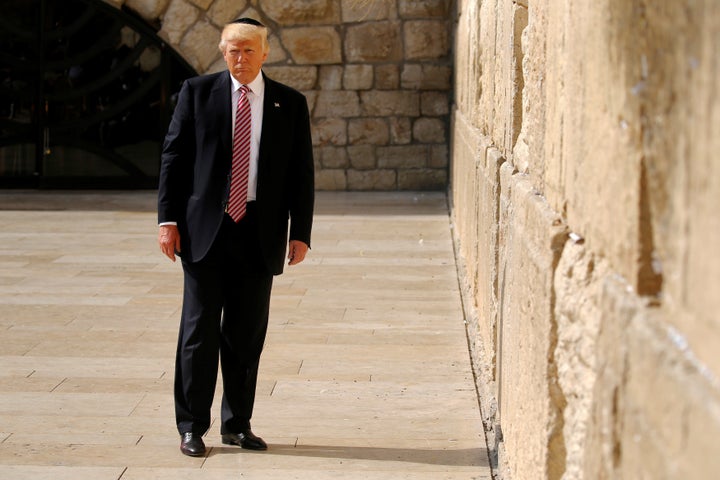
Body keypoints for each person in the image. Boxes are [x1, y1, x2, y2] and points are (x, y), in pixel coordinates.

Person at [157, 17, 314, 457]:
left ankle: (237, 424)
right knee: (198, 333)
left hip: (259, 233)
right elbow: (174, 157)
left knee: (246, 336)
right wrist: (166, 220)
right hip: (203, 231)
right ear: (221, 52)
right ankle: (191, 426)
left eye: (248, 50)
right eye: (231, 50)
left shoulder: (289, 103)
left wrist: (300, 232)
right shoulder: (197, 93)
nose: (239, 58)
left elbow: (302, 173)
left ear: (265, 53)